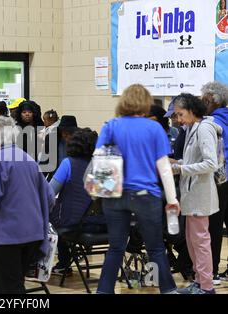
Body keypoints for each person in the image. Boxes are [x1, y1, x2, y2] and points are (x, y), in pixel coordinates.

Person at [95, 84, 180, 294]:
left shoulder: (110, 125)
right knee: (156, 248)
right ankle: (169, 290)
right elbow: (164, 167)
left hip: (114, 193)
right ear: (146, 103)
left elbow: (99, 160)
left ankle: (103, 291)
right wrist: (172, 199)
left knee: (115, 248)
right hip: (145, 194)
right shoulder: (154, 128)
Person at [0, 116, 56, 294]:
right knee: (8, 284)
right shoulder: (28, 159)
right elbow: (50, 196)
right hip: (33, 234)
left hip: (6, 235)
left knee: (11, 287)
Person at [171, 93, 221, 294]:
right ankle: (200, 282)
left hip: (201, 194)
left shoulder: (205, 128)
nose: (178, 119)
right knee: (193, 242)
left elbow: (211, 163)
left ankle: (207, 287)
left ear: (192, 111)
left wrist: (182, 169)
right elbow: (193, 161)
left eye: (180, 114)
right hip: (192, 194)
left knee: (200, 242)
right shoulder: (193, 128)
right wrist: (177, 164)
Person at [49, 128, 107, 276]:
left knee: (49, 216)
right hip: (102, 224)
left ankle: (61, 263)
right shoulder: (102, 166)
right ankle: (66, 260)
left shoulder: (68, 163)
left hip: (76, 224)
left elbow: (49, 193)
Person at [201, 81, 228, 283]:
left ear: (210, 100)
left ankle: (214, 270)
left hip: (220, 178)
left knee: (214, 225)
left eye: (203, 99)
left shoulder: (210, 122)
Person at [39, 110, 60, 177]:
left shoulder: (53, 130)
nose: (44, 122)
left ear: (51, 121)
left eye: (45, 120)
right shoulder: (49, 129)